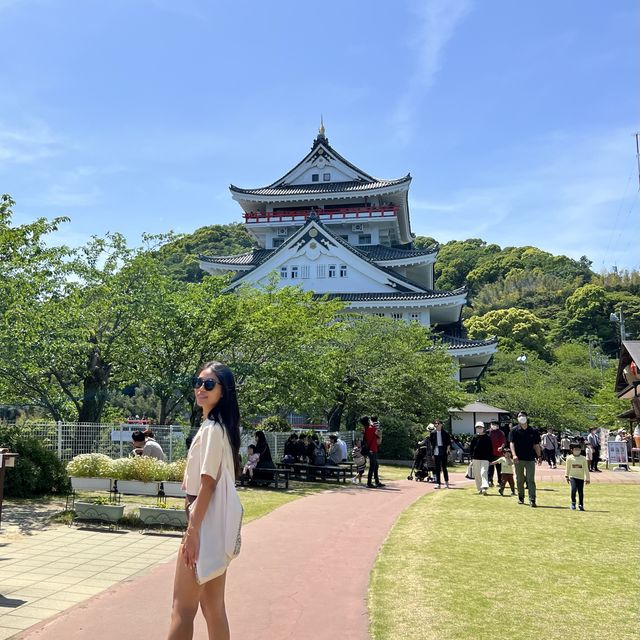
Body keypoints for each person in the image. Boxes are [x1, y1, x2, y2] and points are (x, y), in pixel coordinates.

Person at [168, 361, 241, 640]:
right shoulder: (222, 427)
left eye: (209, 384)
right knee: (213, 608)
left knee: (182, 609)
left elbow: (207, 483)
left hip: (202, 521)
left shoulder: (212, 428)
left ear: (224, 391)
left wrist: (192, 531)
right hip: (214, 526)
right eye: (197, 382)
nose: (201, 388)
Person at [509, 411, 542, 507]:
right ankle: (521, 497)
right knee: (519, 479)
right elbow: (512, 443)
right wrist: (514, 455)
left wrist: (539, 456)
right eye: (519, 416)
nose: (522, 417)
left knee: (530, 479)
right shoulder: (514, 430)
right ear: (517, 418)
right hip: (518, 459)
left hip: (530, 458)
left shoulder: (533, 431)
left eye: (523, 415)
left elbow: (536, 444)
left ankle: (532, 499)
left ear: (527, 417)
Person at [565, 442, 590, 511]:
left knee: (580, 492)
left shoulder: (583, 458)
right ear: (572, 450)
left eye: (579, 449)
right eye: (575, 449)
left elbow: (586, 469)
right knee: (573, 490)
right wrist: (566, 476)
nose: (577, 451)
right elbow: (567, 468)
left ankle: (581, 504)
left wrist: (587, 478)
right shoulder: (569, 458)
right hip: (573, 477)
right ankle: (573, 503)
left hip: (581, 478)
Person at [470, 422, 492, 495]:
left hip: (485, 458)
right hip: (476, 458)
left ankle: (484, 487)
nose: (479, 429)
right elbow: (471, 448)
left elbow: (490, 449)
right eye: (477, 427)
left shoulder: (487, 437)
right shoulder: (474, 437)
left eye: (480, 427)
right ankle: (480, 488)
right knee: (477, 474)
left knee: (483, 472)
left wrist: (490, 459)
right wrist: (471, 458)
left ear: (483, 428)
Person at [362, 416, 384, 488]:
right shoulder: (371, 428)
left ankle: (377, 481)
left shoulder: (365, 428)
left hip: (370, 449)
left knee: (376, 465)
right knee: (372, 466)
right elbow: (378, 433)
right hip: (372, 449)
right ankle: (369, 483)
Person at [429, 419, 451, 489]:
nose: (436, 425)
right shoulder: (433, 433)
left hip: (443, 451)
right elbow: (431, 443)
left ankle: (447, 482)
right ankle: (438, 483)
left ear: (441, 424)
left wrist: (447, 450)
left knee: (444, 467)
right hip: (436, 450)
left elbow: (448, 443)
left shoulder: (445, 433)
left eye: (438, 423)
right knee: (437, 468)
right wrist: (432, 453)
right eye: (435, 424)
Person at [488, 422, 506, 486]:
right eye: (493, 424)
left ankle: (500, 481)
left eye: (495, 424)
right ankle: (490, 481)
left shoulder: (501, 433)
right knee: (490, 468)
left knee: (499, 469)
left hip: (499, 454)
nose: (494, 426)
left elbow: (504, 442)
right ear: (490, 425)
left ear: (498, 426)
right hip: (490, 453)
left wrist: (501, 447)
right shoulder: (488, 432)